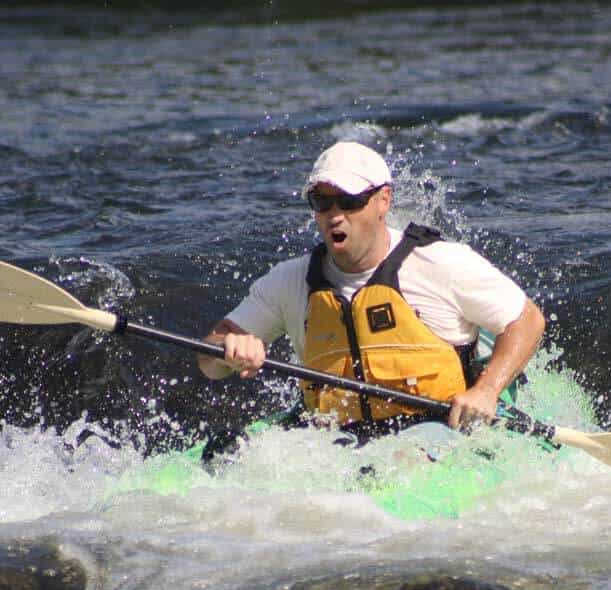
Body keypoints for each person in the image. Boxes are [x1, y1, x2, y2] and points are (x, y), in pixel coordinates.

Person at [198, 141, 545, 442]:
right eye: (322, 202)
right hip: (335, 437)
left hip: (437, 430)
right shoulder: (289, 281)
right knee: (222, 453)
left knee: (389, 468)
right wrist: (226, 350)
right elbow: (208, 361)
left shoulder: (440, 264)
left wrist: (486, 391)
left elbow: (526, 320)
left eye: (349, 201)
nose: (335, 215)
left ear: (383, 200)